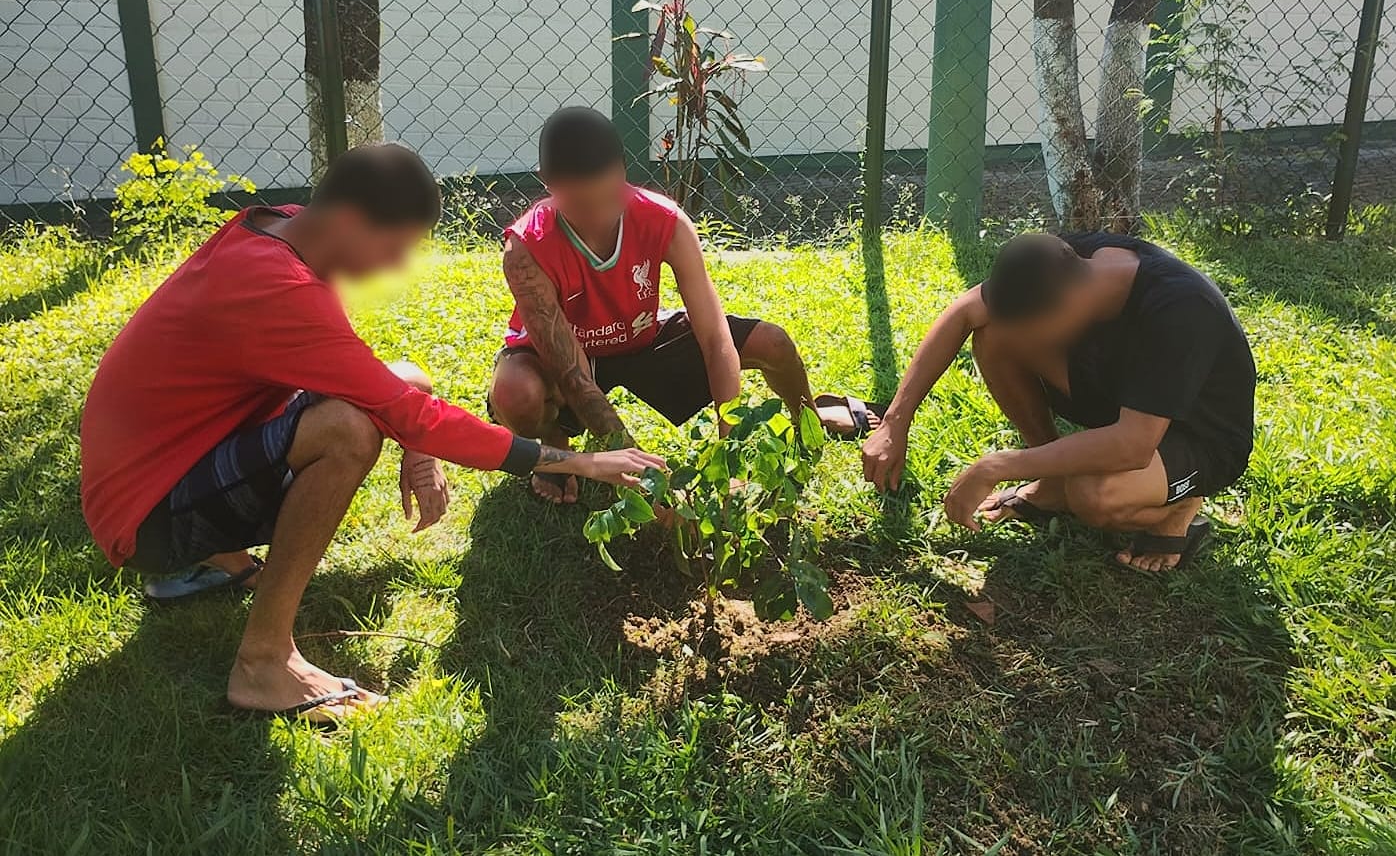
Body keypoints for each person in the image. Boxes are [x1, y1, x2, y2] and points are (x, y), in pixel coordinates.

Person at [80, 143, 663, 722]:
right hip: (144, 516)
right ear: (351, 222)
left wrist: (417, 449)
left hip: (175, 464)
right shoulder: (274, 288)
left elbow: (398, 393)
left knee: (404, 378)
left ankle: (222, 558)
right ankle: (263, 663)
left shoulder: (280, 232)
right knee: (347, 432)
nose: (393, 268)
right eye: (394, 248)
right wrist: (574, 461)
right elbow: (402, 412)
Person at [487, 106, 878, 503]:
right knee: (517, 394)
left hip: (638, 337)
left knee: (772, 343)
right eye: (581, 208)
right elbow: (572, 374)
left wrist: (728, 451)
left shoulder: (665, 221)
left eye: (609, 199)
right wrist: (646, 481)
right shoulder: (525, 248)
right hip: (563, 360)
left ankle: (810, 415)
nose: (598, 218)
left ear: (624, 171)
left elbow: (714, 338)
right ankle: (557, 442)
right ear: (548, 185)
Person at [861, 231, 1255, 573]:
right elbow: (966, 311)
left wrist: (997, 466)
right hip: (1126, 396)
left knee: (1093, 496)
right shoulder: (1069, 261)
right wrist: (896, 421)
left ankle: (1179, 510)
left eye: (1034, 328)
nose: (1026, 341)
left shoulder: (1180, 307)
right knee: (995, 334)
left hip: (1197, 435)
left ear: (1069, 303)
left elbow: (1132, 446)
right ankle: (1051, 481)